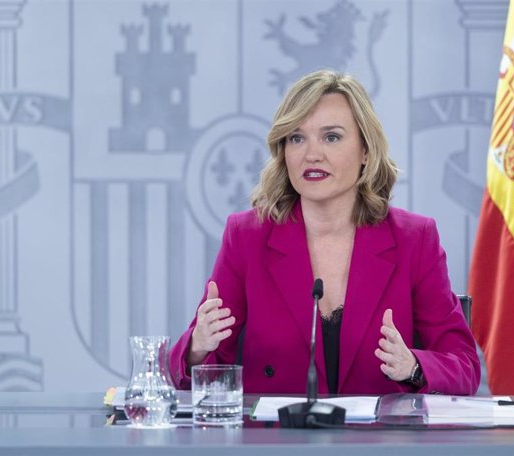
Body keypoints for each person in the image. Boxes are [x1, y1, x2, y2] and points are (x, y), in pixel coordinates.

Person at [169, 70, 480, 395]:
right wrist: (197, 346)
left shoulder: (414, 239)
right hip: (277, 441)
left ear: (365, 151)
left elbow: (464, 367)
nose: (311, 154)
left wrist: (413, 366)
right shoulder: (247, 236)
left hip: (378, 443)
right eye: (296, 138)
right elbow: (200, 370)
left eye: (331, 137)